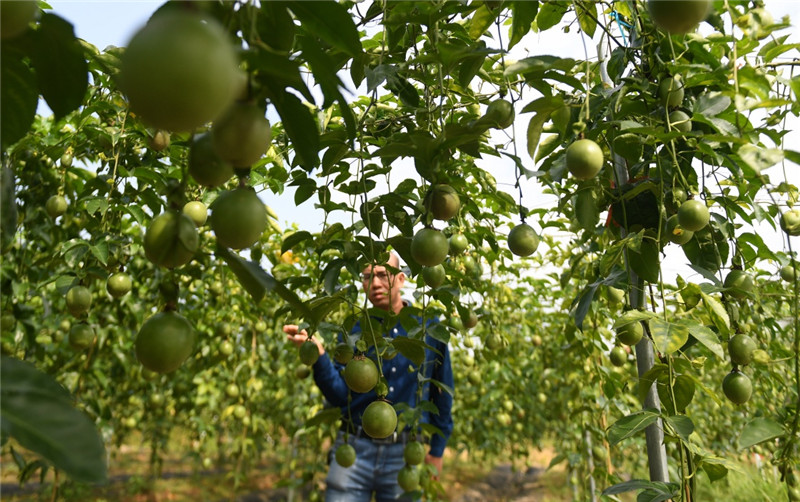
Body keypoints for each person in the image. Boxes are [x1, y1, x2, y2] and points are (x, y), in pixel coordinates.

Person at [284, 251, 454, 501]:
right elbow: (341, 395)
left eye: (383, 275)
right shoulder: (352, 328)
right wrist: (320, 356)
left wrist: (437, 450)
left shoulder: (428, 325)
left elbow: (443, 390)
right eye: (366, 276)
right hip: (353, 447)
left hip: (405, 452)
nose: (374, 283)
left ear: (401, 279)